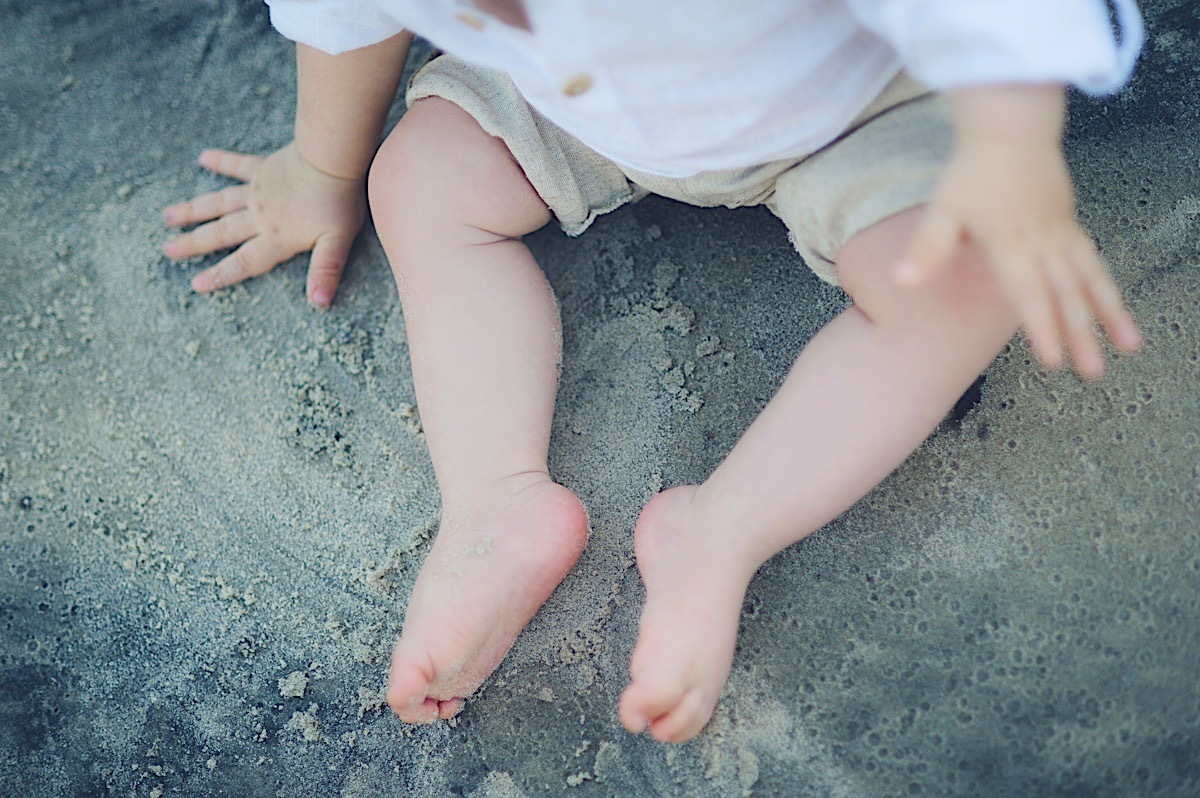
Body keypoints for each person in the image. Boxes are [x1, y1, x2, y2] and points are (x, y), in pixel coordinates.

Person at [163, 0, 1145, 743]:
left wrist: (1014, 146)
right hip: (583, 107)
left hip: (852, 102)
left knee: (963, 286)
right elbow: (345, 22)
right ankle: (494, 505)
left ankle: (718, 532)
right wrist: (322, 171)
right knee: (417, 180)